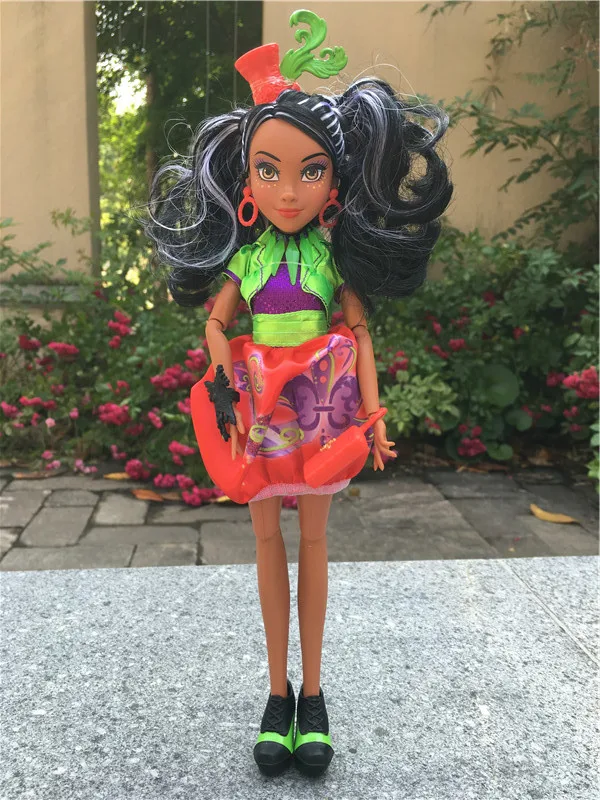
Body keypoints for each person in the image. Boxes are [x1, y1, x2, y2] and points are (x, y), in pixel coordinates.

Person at [146, 9, 452, 778]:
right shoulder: (247, 259)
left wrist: (374, 414)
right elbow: (216, 324)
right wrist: (222, 381)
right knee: (265, 542)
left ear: (335, 182)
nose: (289, 190)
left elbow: (361, 333)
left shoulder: (330, 257)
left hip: (319, 410)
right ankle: (275, 693)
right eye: (269, 170)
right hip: (257, 412)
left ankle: (312, 695)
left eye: (310, 171)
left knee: (313, 541)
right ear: (245, 182)